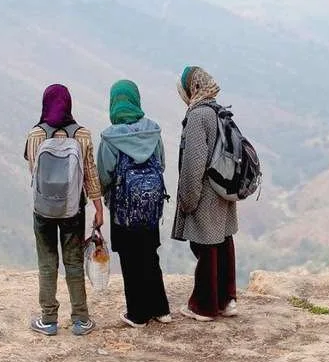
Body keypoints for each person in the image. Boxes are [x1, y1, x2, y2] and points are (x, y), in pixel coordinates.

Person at [24, 84, 104, 336]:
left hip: (43, 210)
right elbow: (90, 174)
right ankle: (80, 319)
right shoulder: (82, 135)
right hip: (73, 210)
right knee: (73, 263)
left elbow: (33, 172)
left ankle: (48, 320)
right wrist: (98, 208)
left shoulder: (36, 135)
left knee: (47, 264)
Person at [97, 80, 171, 328]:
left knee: (130, 260)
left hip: (123, 211)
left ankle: (138, 314)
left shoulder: (109, 139)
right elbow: (161, 164)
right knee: (150, 255)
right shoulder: (153, 132)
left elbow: (104, 175)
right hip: (150, 209)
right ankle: (161, 309)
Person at [172, 66, 239, 321]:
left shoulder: (198, 116)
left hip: (206, 193)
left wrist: (188, 199)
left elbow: (193, 164)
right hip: (224, 190)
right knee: (223, 241)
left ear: (191, 89)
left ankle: (205, 306)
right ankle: (227, 300)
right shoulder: (219, 111)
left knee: (206, 245)